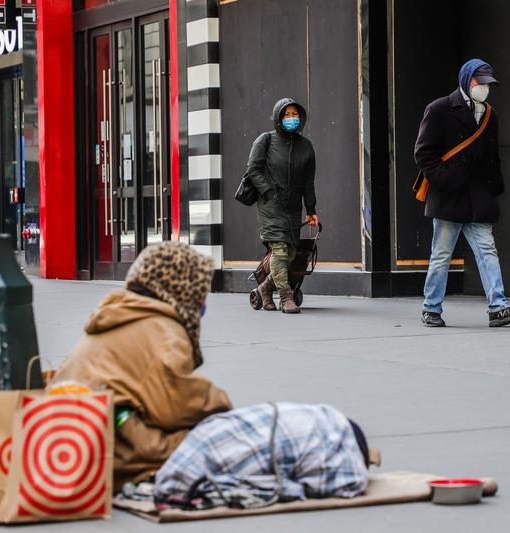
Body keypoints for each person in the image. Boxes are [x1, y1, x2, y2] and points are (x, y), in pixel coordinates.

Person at [49, 242, 232, 491]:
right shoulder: (165, 331)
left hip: (64, 437)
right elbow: (173, 404)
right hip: (113, 444)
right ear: (183, 288)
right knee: (222, 442)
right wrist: (219, 402)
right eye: (200, 293)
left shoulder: (120, 312)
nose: (203, 304)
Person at [414, 59, 510, 328]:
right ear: (467, 80)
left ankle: (498, 307)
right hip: (449, 195)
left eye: (488, 84)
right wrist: (444, 180)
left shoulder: (490, 114)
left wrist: (494, 186)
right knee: (441, 254)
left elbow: (493, 157)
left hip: (478, 197)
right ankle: (431, 308)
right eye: (480, 83)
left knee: (487, 250)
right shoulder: (439, 108)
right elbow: (423, 152)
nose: (484, 88)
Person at [153, 402, 380, 509]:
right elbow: (317, 486)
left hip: (193, 448)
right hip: (187, 470)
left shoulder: (322, 416)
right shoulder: (341, 464)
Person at [246, 98, 319, 314]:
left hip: (293, 207)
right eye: (286, 115)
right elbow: (253, 169)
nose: (291, 118)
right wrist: (268, 192)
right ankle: (286, 298)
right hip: (270, 207)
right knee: (279, 250)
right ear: (278, 117)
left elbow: (308, 182)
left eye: (294, 114)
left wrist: (312, 210)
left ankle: (264, 290)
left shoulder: (306, 146)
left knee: (291, 253)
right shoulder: (265, 140)